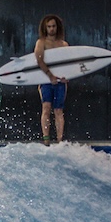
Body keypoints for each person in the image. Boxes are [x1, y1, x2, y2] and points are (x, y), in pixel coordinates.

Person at [34, 13, 69, 144]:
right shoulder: (41, 42)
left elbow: (68, 63)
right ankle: (46, 139)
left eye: (53, 26)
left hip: (60, 81)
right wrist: (50, 76)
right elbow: (39, 60)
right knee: (46, 107)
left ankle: (60, 140)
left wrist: (67, 76)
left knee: (58, 110)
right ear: (45, 28)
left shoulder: (64, 44)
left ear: (57, 27)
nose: (51, 29)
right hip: (45, 80)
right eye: (49, 26)